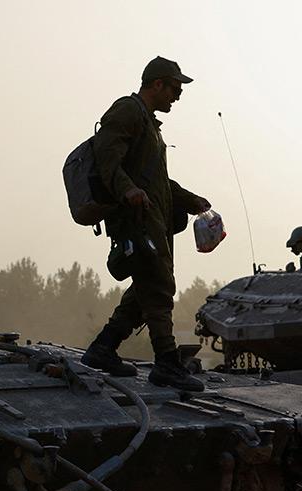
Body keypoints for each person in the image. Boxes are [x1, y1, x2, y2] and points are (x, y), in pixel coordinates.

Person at [80, 57, 211, 392]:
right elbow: (107, 159)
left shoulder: (149, 124)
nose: (178, 96)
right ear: (157, 84)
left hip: (154, 220)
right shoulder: (127, 110)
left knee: (145, 289)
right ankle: (166, 362)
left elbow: (157, 182)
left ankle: (104, 347)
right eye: (175, 88)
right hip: (135, 220)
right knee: (159, 285)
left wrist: (191, 200)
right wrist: (128, 190)